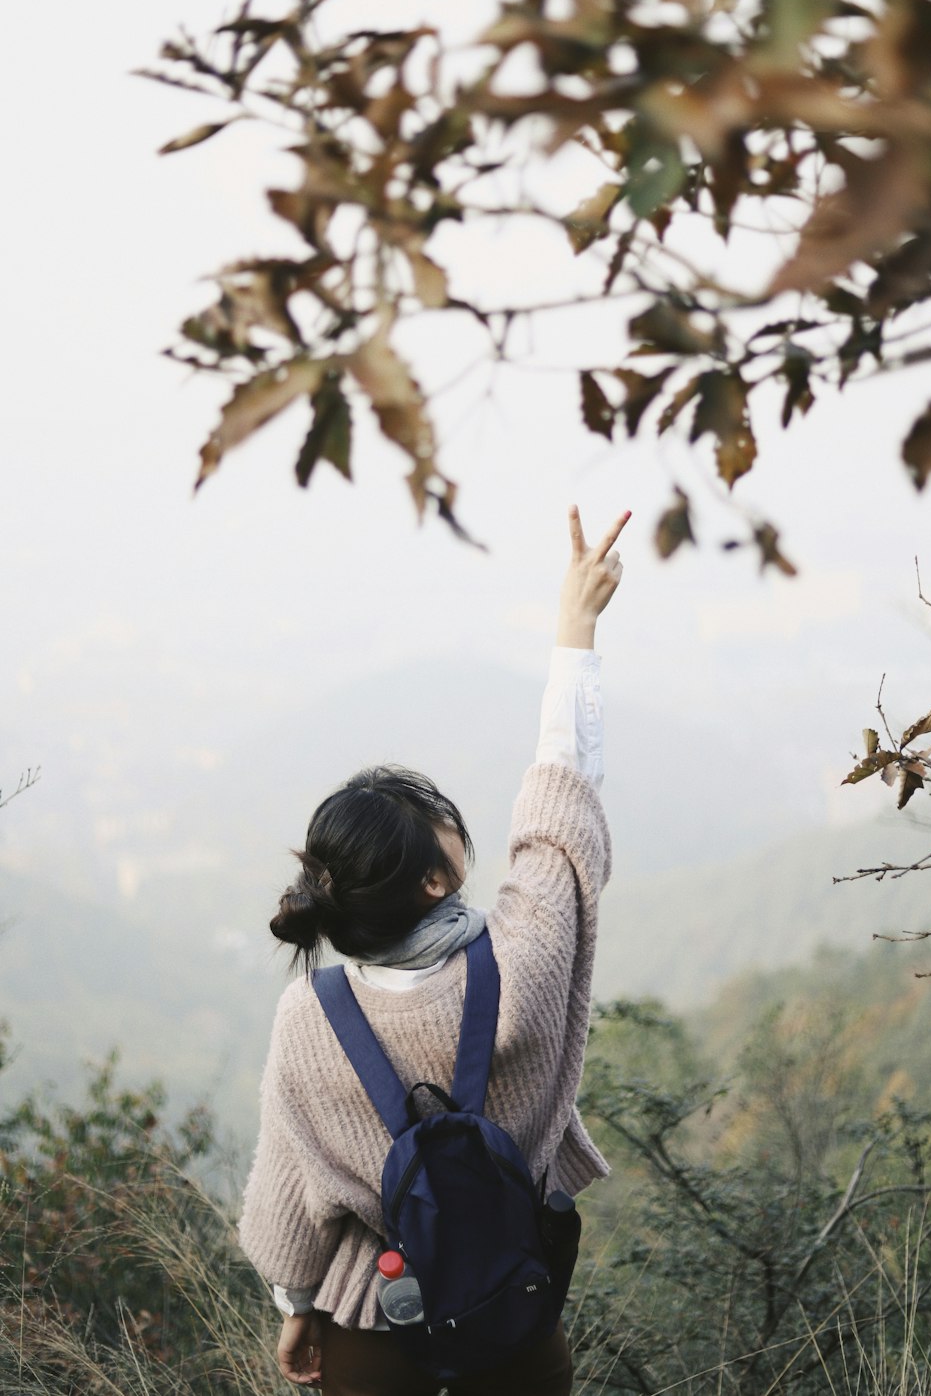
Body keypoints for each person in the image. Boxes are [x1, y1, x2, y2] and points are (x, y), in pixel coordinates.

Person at [239, 504, 629, 1396]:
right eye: (438, 824)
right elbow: (562, 808)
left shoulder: (310, 1017)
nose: (454, 825)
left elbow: (290, 1188)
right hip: (511, 1317)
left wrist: (298, 1304)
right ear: (433, 882)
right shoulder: (521, 964)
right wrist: (576, 632)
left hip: (373, 1331)